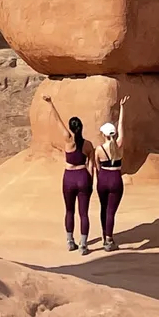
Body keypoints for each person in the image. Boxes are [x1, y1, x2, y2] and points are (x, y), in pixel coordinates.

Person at [47, 98, 94, 253]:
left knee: (69, 211)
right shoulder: (88, 144)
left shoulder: (68, 139)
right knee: (84, 213)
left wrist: (50, 103)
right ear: (81, 127)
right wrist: (91, 182)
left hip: (69, 177)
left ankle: (70, 241)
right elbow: (92, 165)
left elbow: (57, 120)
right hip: (83, 176)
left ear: (71, 128)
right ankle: (83, 244)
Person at [96, 99, 126, 251]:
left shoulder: (99, 149)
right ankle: (109, 239)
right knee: (111, 211)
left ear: (104, 134)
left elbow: (96, 166)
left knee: (103, 207)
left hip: (103, 179)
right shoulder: (119, 144)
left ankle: (104, 235)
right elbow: (122, 127)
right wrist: (122, 108)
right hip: (115, 179)